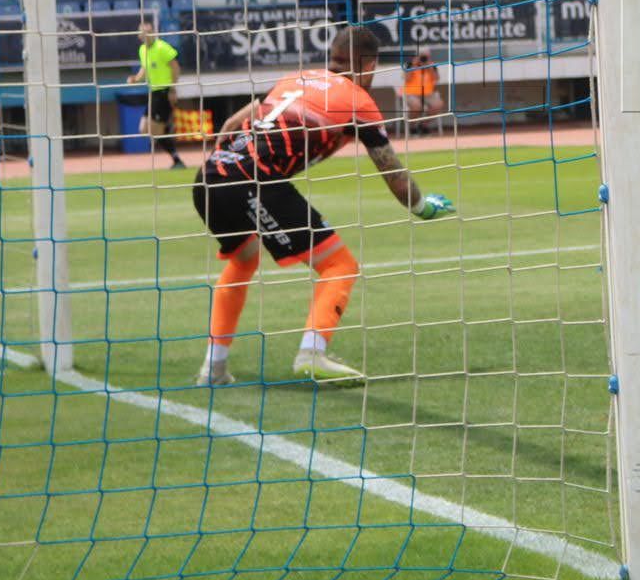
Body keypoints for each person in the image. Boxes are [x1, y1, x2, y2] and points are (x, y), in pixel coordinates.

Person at [194, 26, 454, 386]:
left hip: (209, 175)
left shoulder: (298, 76)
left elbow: (258, 107)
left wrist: (240, 115)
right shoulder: (359, 102)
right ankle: (311, 354)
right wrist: (422, 206)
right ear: (372, 65)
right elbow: (391, 171)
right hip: (253, 180)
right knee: (339, 265)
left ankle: (214, 368)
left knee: (243, 259)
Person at [127, 21, 187, 168]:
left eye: (149, 32)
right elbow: (144, 68)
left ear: (153, 33)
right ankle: (169, 134)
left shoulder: (162, 47)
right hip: (153, 92)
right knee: (144, 129)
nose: (146, 36)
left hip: (164, 91)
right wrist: (135, 79)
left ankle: (177, 160)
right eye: (143, 33)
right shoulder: (142, 50)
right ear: (140, 36)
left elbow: (176, 67)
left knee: (155, 131)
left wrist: (172, 89)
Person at [399, 48, 445, 133]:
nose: (423, 59)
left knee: (438, 105)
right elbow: (407, 79)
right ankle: (412, 126)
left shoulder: (431, 65)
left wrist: (428, 66)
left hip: (428, 93)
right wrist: (414, 65)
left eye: (426, 56)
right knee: (417, 107)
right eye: (422, 56)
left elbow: (436, 78)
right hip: (411, 93)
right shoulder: (409, 64)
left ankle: (423, 125)